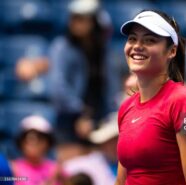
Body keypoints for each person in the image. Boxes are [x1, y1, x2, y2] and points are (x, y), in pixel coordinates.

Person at [115, 10, 186, 185]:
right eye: (132, 39)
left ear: (172, 51)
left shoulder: (184, 102)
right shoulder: (126, 107)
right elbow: (122, 180)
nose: (137, 46)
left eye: (149, 40)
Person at [48, 0, 112, 157]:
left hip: (98, 121)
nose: (76, 23)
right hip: (69, 122)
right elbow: (57, 87)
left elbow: (107, 87)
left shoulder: (102, 51)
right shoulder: (61, 47)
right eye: (74, 18)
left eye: (83, 18)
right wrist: (80, 113)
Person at [62, 112, 118, 185]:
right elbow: (65, 170)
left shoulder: (135, 164)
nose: (114, 145)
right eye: (110, 141)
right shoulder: (84, 164)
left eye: (117, 139)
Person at [11, 115, 64, 185]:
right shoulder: (12, 169)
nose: (33, 142)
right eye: (28, 138)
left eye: (39, 138)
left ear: (48, 143)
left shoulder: (57, 170)